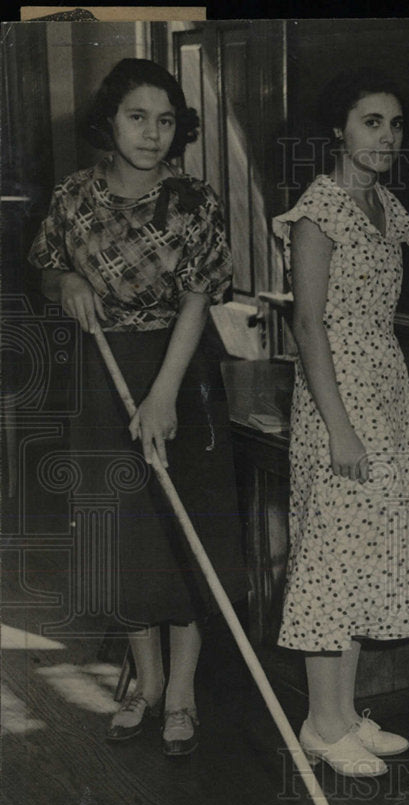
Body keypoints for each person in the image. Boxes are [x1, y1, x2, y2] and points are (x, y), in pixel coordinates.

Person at [29, 58, 243, 756]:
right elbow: (47, 263)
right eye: (137, 117)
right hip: (103, 375)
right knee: (126, 540)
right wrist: (64, 283)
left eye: (166, 120)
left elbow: (198, 299)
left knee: (187, 539)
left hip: (181, 374)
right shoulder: (73, 197)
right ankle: (145, 684)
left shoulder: (195, 201)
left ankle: (181, 690)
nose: (153, 134)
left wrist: (163, 395)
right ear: (109, 121)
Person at [272, 70, 409, 778]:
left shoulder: (386, 207)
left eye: (396, 123)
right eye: (371, 122)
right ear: (340, 132)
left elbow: (374, 320)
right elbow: (310, 323)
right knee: (330, 554)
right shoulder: (321, 208)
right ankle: (319, 723)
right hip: (334, 396)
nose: (386, 136)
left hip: (380, 388)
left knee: (363, 552)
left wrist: (388, 409)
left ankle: (344, 714)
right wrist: (339, 426)